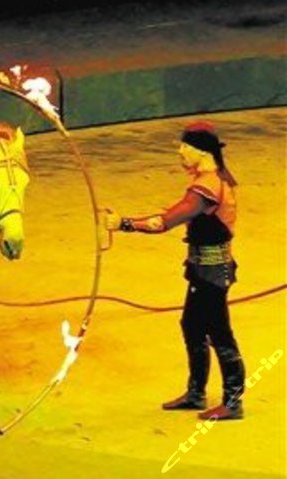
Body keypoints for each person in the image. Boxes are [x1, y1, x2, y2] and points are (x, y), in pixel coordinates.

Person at [106, 121, 245, 421]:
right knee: (192, 325)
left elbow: (164, 222)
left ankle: (233, 402)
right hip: (203, 269)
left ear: (202, 151)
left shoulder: (207, 187)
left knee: (219, 333)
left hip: (212, 273)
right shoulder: (213, 179)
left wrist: (124, 224)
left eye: (185, 146)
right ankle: (196, 393)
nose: (180, 152)